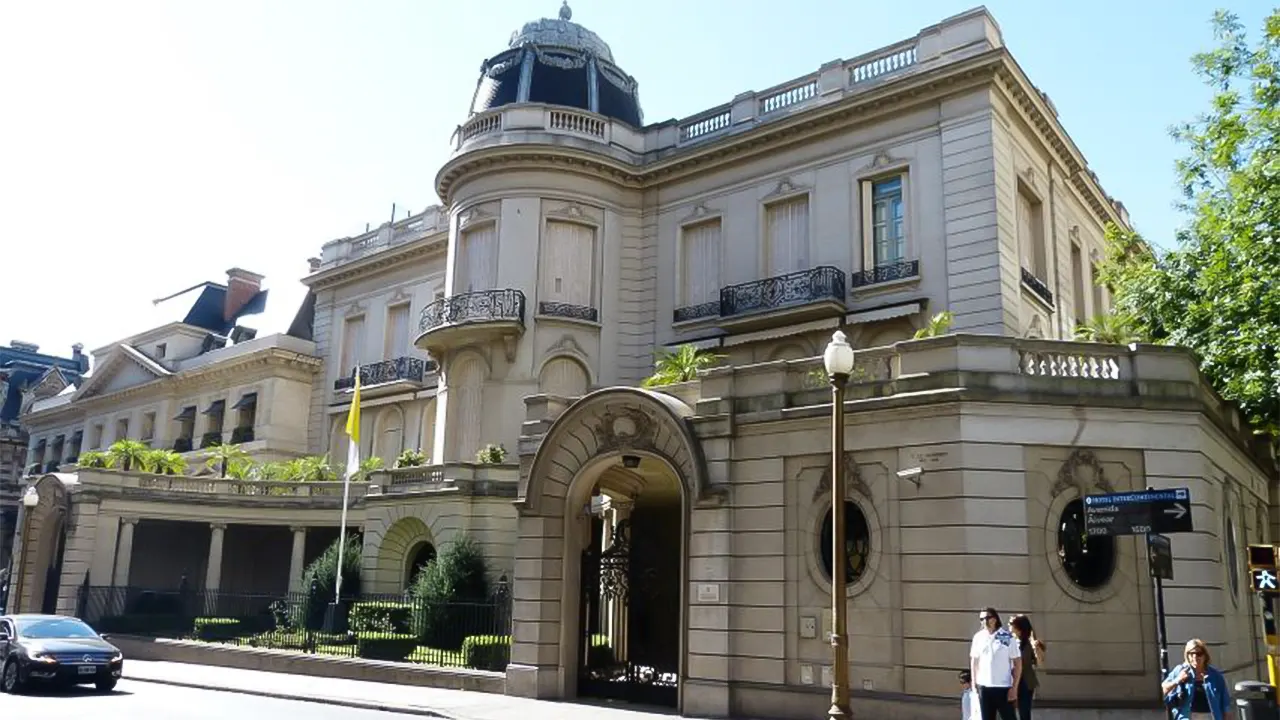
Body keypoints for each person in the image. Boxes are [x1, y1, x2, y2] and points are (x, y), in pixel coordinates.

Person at [1161, 638, 1232, 720]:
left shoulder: (1215, 676)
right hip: (1187, 716)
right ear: (1187, 655)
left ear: (1205, 656)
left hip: (1210, 716)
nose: (1195, 657)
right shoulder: (1180, 671)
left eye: (1198, 654)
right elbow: (1164, 689)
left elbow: (1225, 703)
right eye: (1191, 654)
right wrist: (1178, 680)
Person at [970, 606, 1021, 720]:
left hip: (1003, 687)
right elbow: (974, 661)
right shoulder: (979, 637)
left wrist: (1014, 687)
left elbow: (1017, 662)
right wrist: (974, 685)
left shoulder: (1006, 637)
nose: (984, 622)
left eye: (986, 618)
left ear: (994, 619)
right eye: (981, 619)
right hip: (984, 687)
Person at [1009, 615, 1046, 719]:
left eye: (1011, 624)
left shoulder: (1029, 643)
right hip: (1009, 681)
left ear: (1019, 627)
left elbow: (1040, 663)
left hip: (1025, 682)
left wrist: (1037, 649)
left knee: (1024, 712)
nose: (1009, 625)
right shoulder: (1008, 641)